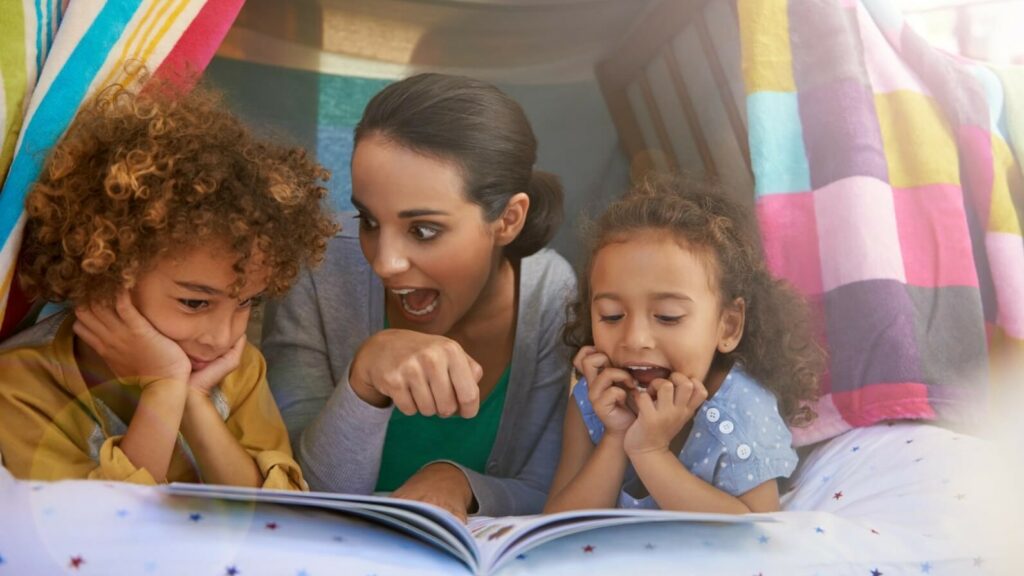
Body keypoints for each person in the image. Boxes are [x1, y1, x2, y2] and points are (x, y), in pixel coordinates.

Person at [262, 73, 575, 519]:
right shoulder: (319, 264)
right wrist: (363, 381)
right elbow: (295, 489)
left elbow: (549, 488)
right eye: (369, 221)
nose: (385, 262)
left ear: (508, 219)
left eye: (424, 230)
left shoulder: (552, 294)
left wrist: (458, 480)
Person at [0, 83, 338, 488]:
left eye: (248, 302)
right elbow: (100, 534)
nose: (224, 336)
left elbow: (275, 513)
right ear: (106, 270)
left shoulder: (235, 370)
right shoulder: (24, 380)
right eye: (195, 303)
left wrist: (194, 401)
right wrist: (163, 388)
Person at [545, 177, 822, 514]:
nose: (635, 339)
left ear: (728, 325)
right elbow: (558, 521)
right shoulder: (596, 399)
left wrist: (650, 452)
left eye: (667, 316)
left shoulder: (740, 407)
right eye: (612, 315)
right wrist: (616, 438)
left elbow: (756, 530)